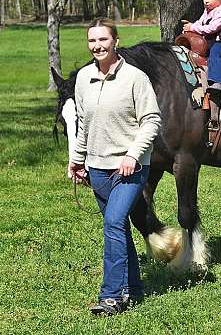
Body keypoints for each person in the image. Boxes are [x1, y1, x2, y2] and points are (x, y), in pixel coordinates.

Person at [69, 18, 161, 316]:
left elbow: (152, 121)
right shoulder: (83, 78)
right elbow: (84, 123)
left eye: (103, 40)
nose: (97, 46)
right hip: (97, 167)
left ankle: (111, 296)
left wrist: (133, 155)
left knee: (112, 222)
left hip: (130, 168)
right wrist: (77, 158)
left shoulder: (135, 78)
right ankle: (134, 288)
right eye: (92, 41)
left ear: (115, 41)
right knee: (118, 225)